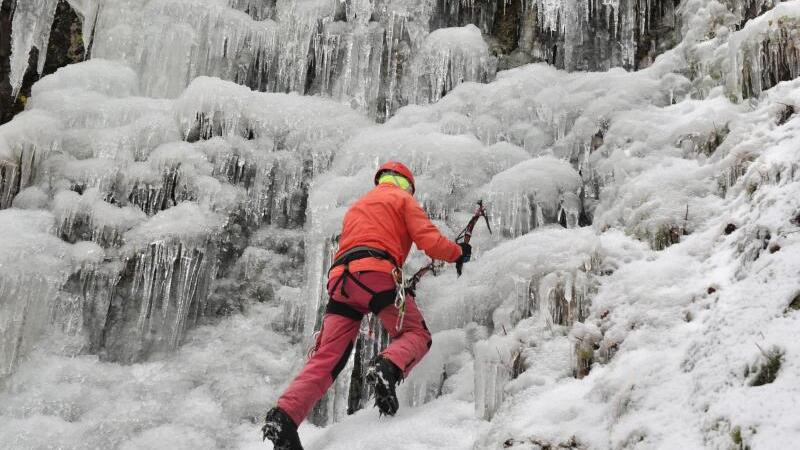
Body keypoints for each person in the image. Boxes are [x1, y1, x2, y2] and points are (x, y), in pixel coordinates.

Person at [262, 161, 471, 450]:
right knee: (416, 334)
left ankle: (284, 417)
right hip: (375, 275)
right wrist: (459, 253)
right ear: (407, 185)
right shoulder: (402, 199)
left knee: (327, 357)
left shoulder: (359, 206)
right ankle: (387, 365)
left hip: (340, 282)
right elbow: (430, 242)